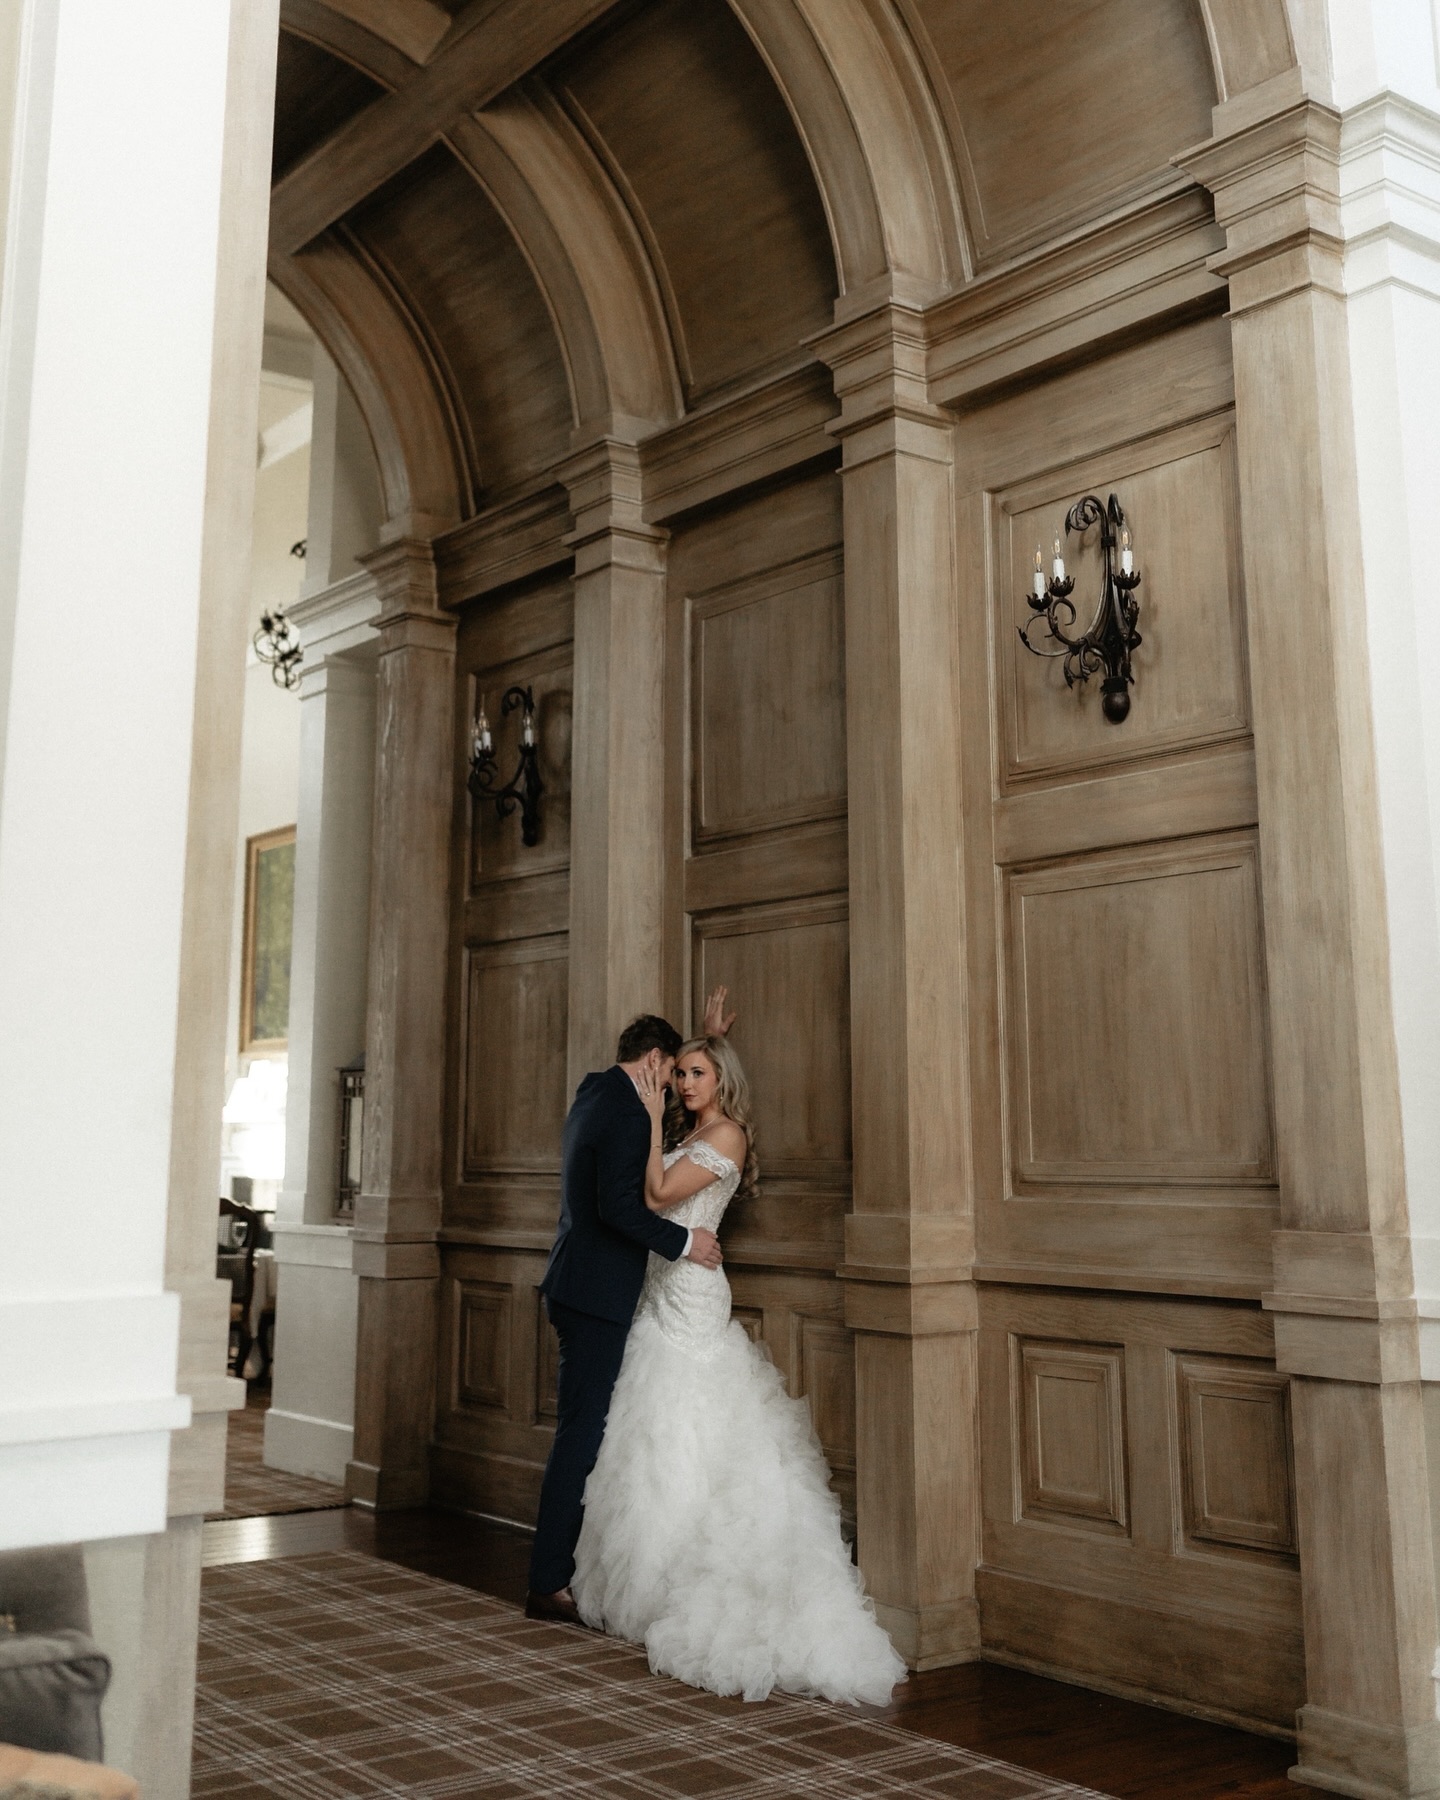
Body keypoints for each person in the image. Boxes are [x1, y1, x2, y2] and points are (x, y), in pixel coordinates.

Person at [571, 1028, 906, 1706]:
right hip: (660, 1292)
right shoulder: (700, 1127)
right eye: (681, 1075)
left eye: (697, 1074)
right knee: (655, 1435)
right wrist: (711, 1034)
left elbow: (660, 1194)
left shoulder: (725, 1138)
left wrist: (644, 1116)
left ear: (720, 1081)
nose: (684, 1084)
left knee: (695, 1423)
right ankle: (653, 1573)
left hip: (693, 1300)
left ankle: (710, 1584)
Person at [525, 997, 732, 1626]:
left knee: (593, 1432)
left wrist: (710, 1041)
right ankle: (547, 1582)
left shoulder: (597, 1091)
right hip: (596, 1295)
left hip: (588, 1287)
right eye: (674, 1073)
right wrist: (683, 1241)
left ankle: (566, 1571)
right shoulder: (625, 1109)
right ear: (653, 1062)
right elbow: (623, 1206)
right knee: (581, 1436)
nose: (675, 1088)